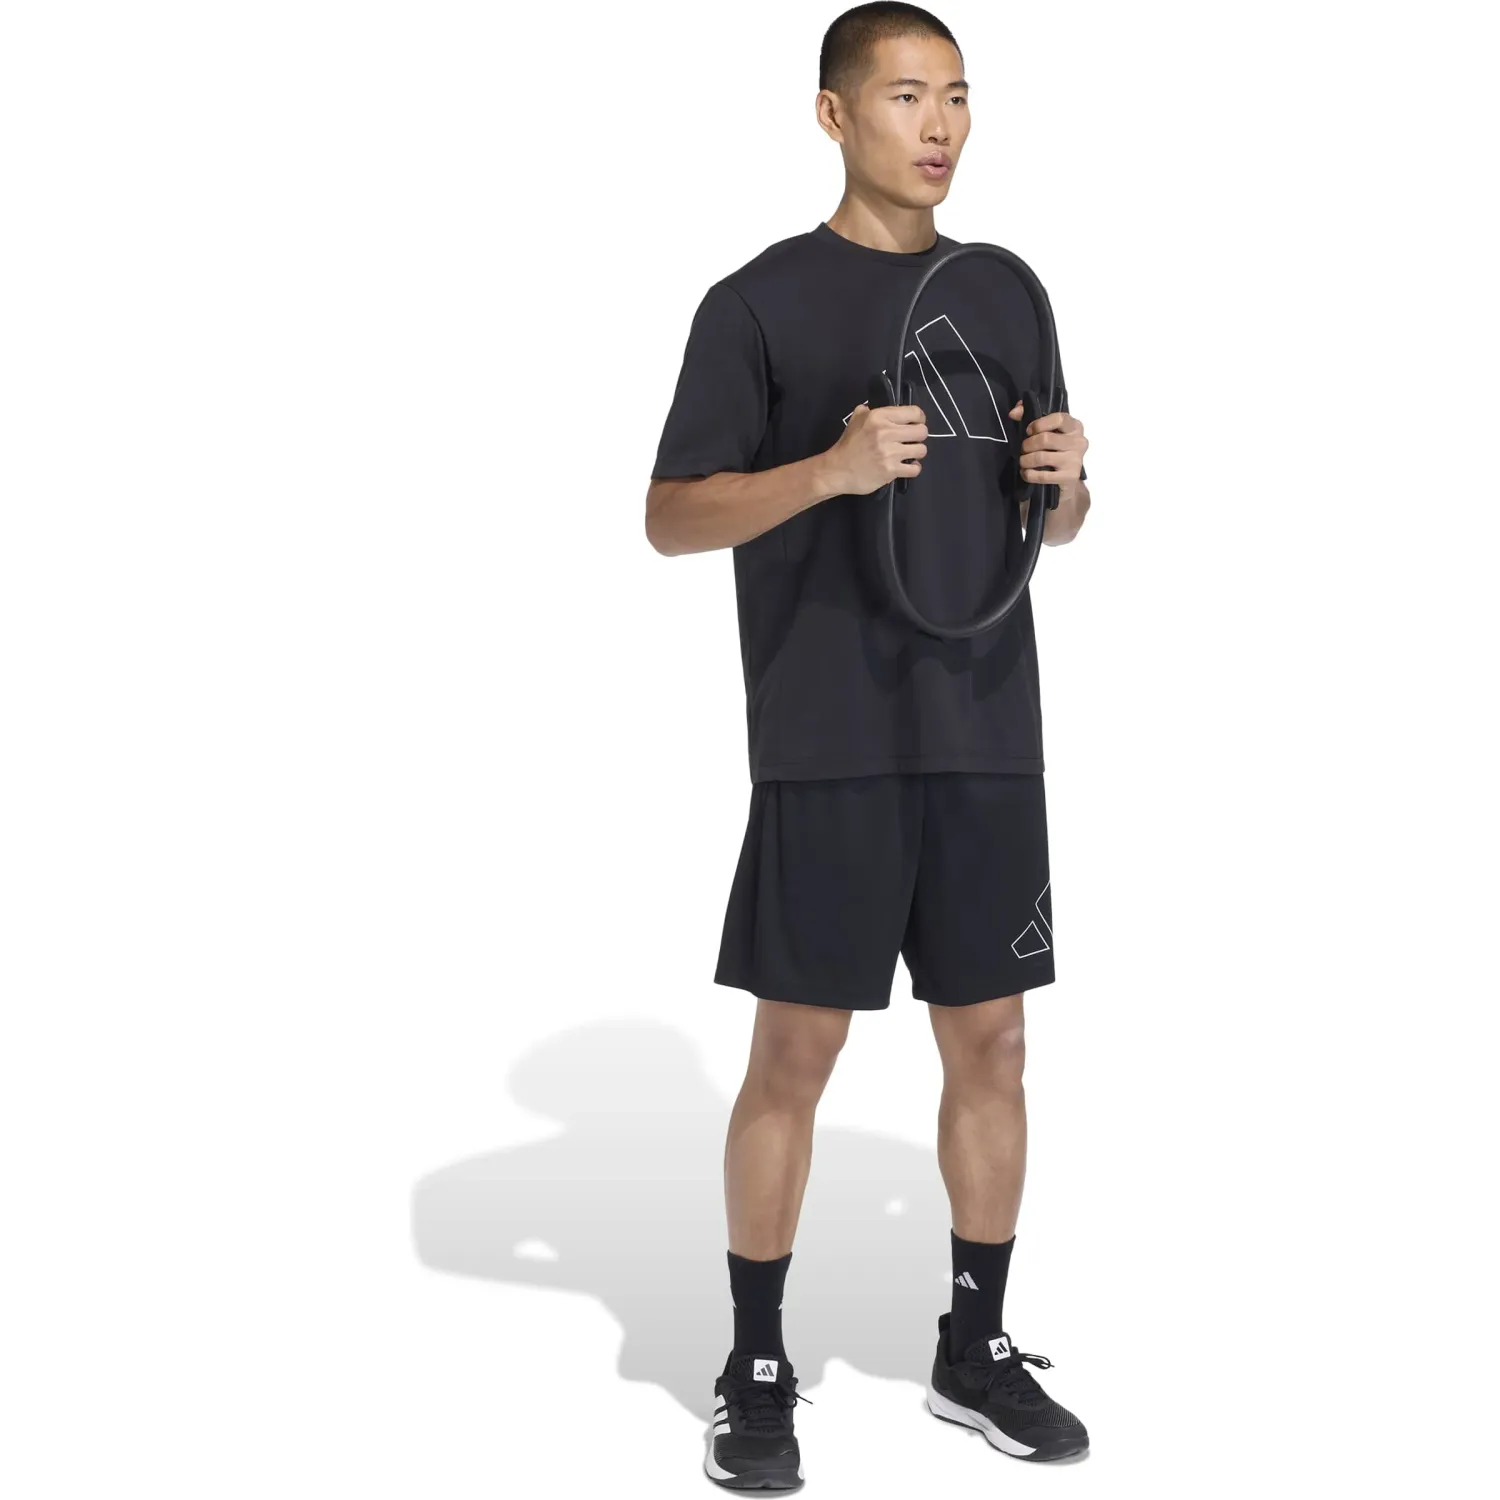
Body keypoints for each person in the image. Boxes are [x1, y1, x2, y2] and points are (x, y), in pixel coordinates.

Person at [645, 3, 1092, 1487]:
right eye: (907, 96)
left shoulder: (1004, 294)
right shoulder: (757, 304)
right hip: (830, 732)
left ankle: (976, 1346)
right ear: (836, 116)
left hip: (986, 726)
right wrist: (828, 470)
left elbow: (1053, 527)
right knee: (797, 1050)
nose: (940, 124)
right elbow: (670, 516)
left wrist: (1064, 482)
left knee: (997, 1043)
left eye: (957, 95)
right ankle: (755, 1362)